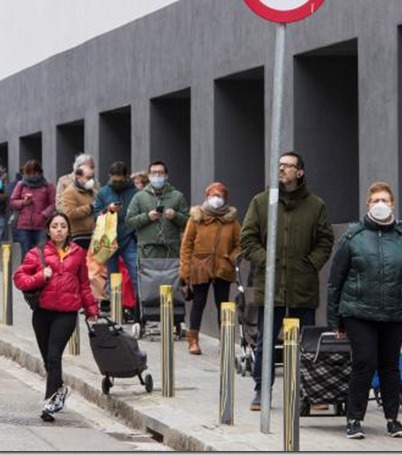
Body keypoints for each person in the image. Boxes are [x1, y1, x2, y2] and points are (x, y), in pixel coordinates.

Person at [327, 181, 402, 439]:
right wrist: (334, 320)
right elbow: (335, 281)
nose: (381, 204)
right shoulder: (353, 237)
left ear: (392, 204)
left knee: (390, 365)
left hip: (396, 312)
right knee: (365, 362)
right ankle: (354, 418)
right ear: (368, 205)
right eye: (376, 200)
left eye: (385, 200)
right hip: (358, 312)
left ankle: (393, 420)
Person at [240, 151, 334, 411]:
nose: (282, 169)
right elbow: (247, 239)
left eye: (288, 166)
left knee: (306, 341)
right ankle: (261, 390)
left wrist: (310, 263)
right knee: (265, 341)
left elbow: (325, 240)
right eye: (279, 165)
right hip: (269, 286)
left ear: (300, 172)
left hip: (302, 284)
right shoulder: (261, 202)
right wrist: (266, 262)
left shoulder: (316, 205)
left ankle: (310, 391)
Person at [13, 212, 99, 422]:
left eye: (63, 226)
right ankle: (59, 390)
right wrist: (41, 276)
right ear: (48, 230)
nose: (59, 229)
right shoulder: (37, 253)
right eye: (55, 226)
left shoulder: (78, 253)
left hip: (66, 315)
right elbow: (19, 279)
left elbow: (84, 285)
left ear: (69, 229)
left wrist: (92, 310)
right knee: (47, 360)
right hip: (42, 313)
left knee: (54, 356)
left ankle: (50, 402)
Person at [179, 182, 241, 355]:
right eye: (213, 195)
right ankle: (193, 340)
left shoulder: (232, 221)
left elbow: (240, 244)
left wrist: (230, 258)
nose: (216, 199)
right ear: (206, 197)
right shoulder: (196, 218)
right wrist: (185, 271)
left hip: (223, 267)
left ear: (225, 198)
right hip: (200, 267)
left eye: (220, 196)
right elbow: (186, 245)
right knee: (198, 303)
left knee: (223, 305)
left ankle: (225, 340)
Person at [126, 161, 190, 260]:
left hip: (170, 252)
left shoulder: (177, 196)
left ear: (166, 176)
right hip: (147, 252)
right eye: (154, 172)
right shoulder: (139, 197)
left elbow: (188, 222)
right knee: (147, 276)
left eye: (160, 172)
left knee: (170, 276)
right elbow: (129, 222)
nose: (157, 175)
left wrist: (175, 216)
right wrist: (147, 217)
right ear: (149, 176)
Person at [93, 161, 140, 298]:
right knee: (112, 279)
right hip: (109, 240)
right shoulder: (103, 193)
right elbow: (96, 215)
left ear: (126, 177)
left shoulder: (135, 193)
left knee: (136, 275)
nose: (117, 183)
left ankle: (139, 312)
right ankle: (115, 312)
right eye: (114, 181)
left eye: (120, 181)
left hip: (129, 237)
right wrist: (108, 210)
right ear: (110, 176)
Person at [9, 159, 56, 257]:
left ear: (38, 172)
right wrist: (23, 202)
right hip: (24, 225)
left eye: (32, 173)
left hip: (41, 226)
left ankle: (41, 271)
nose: (29, 176)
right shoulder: (21, 184)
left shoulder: (48, 186)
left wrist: (44, 214)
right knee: (26, 252)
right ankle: (26, 272)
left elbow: (53, 204)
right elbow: (12, 201)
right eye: (27, 173)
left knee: (42, 252)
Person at [60, 164, 96, 250]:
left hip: (93, 234)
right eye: (88, 178)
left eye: (92, 177)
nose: (91, 180)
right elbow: (70, 213)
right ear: (78, 177)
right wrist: (90, 208)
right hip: (78, 235)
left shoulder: (92, 192)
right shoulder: (69, 193)